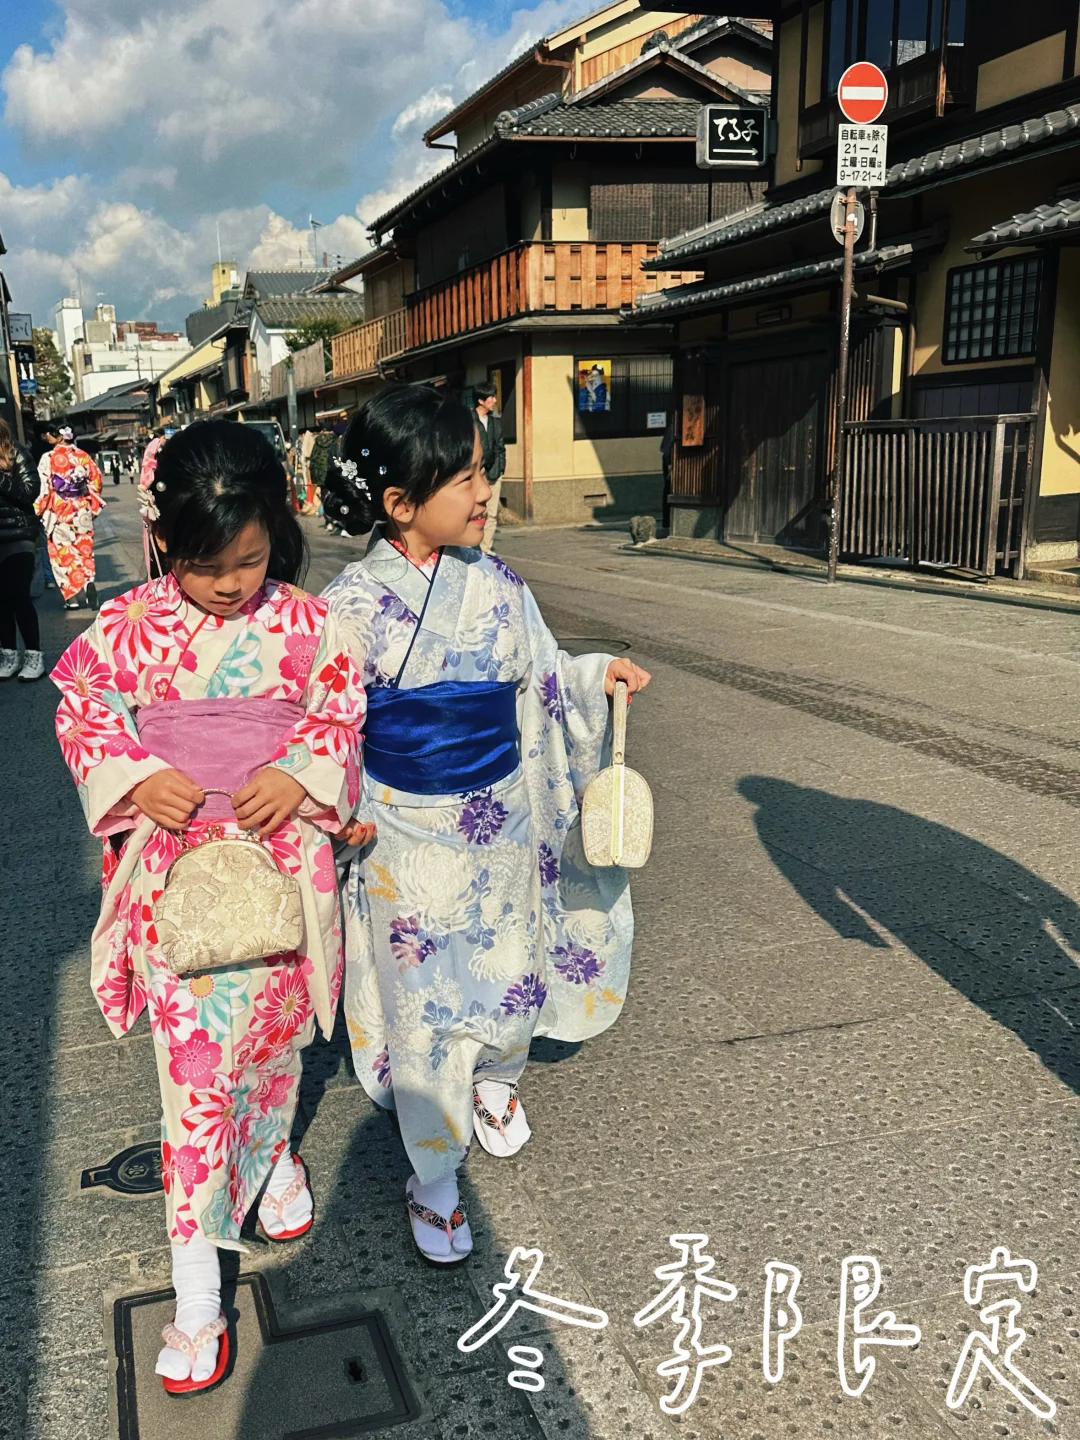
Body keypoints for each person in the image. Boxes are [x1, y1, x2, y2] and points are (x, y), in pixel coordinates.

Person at [51, 423, 366, 1395]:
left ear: (278, 530)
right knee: (193, 1089)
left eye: (250, 559)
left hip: (279, 870)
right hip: (179, 882)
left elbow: (341, 715)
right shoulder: (129, 625)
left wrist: (299, 770)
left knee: (275, 1055)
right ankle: (198, 1300)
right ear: (163, 542)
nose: (230, 585)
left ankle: (271, 1162)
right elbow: (81, 707)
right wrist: (138, 774)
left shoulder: (311, 625)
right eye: (203, 565)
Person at [320, 385, 650, 1265]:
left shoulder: (499, 586)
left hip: (498, 818)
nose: (484, 493)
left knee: (507, 965)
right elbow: (329, 726)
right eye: (464, 477)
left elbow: (542, 678)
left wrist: (593, 678)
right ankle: (431, 1174)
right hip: (400, 830)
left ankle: (498, 1073)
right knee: (423, 998)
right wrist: (336, 809)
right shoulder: (352, 605)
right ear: (399, 502)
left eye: (484, 473)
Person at [34, 425, 103, 609]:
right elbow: (96, 481)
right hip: (81, 510)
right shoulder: (83, 456)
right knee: (84, 551)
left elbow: (44, 489)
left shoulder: (48, 458)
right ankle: (88, 582)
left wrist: (37, 510)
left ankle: (71, 598)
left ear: (56, 436)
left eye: (48, 434)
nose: (46, 437)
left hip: (60, 513)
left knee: (63, 555)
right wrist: (91, 506)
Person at [0, 418, 45, 681]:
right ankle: (8, 655)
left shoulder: (16, 452)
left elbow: (30, 492)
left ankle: (34, 656)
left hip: (18, 535)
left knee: (18, 596)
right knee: (0, 602)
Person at [473, 382, 505, 554]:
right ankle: (473, 547)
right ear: (480, 400)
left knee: (491, 514)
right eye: (491, 397)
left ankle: (486, 548)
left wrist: (501, 469)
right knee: (474, 513)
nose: (494, 400)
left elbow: (500, 447)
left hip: (494, 474)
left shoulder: (495, 423)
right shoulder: (469, 420)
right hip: (476, 476)